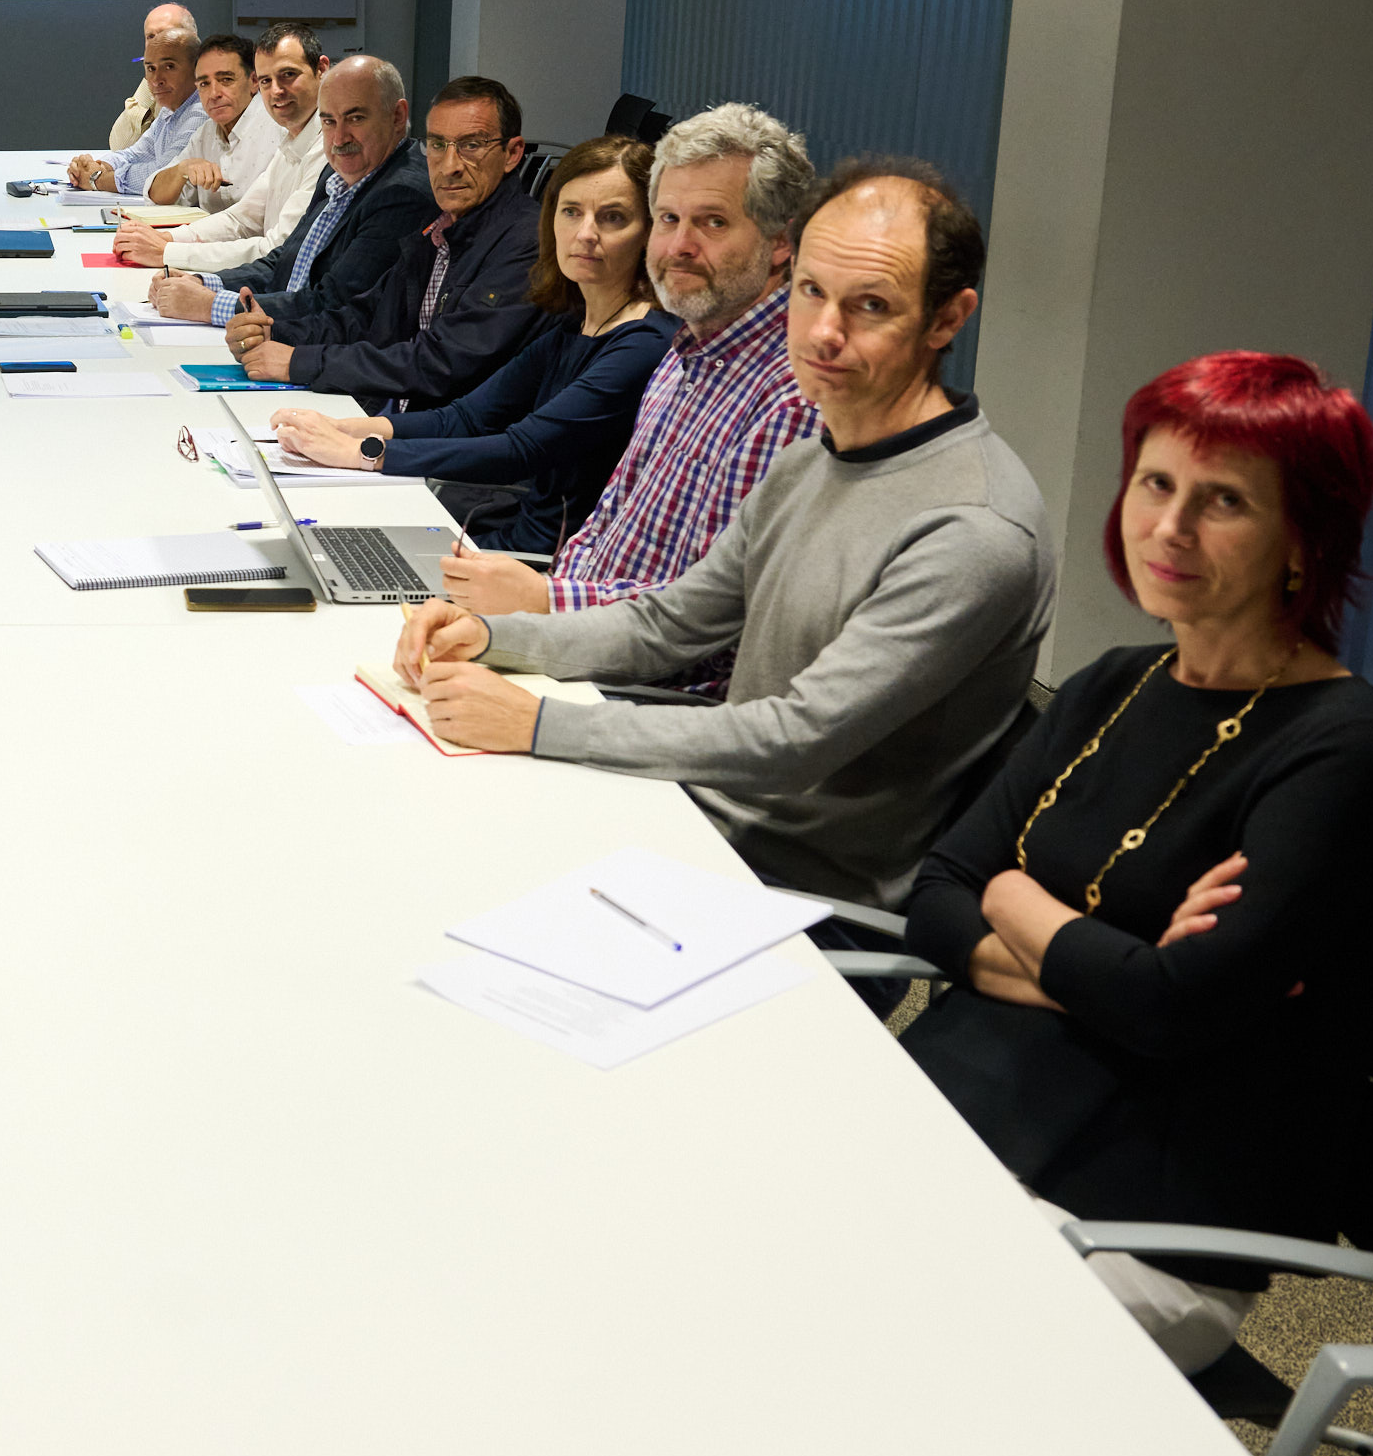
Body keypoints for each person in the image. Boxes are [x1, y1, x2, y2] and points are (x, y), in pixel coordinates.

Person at [901, 354, 1373, 1373]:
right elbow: (935, 893)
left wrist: (1011, 895)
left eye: (1223, 500)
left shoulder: (1347, 752)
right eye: (1156, 482)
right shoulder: (1113, 685)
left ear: (1305, 541)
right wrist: (1105, 967)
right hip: (977, 1113)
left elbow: (1170, 1010)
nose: (1170, 527)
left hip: (1149, 1219)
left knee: (869, 1322)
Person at [392, 158, 1056, 907]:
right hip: (692, 810)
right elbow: (669, 623)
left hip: (782, 886)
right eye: (810, 292)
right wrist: (492, 638)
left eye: (869, 305)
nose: (823, 333)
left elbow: (790, 741)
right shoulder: (814, 458)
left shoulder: (971, 530)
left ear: (946, 319)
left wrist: (536, 723)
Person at [436, 102, 820, 634]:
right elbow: (602, 532)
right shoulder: (683, 359)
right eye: (669, 219)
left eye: (713, 222)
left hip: (636, 684)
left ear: (781, 241)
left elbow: (705, 616)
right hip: (579, 629)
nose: (680, 246)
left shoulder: (790, 394)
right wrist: (518, 611)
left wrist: (541, 603)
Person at [272, 134, 677, 550]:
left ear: (650, 231)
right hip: (504, 540)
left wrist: (363, 453)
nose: (586, 233)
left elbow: (520, 450)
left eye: (612, 218)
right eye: (571, 212)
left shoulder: (645, 342)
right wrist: (335, 429)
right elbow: (465, 418)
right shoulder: (576, 326)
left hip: (544, 566)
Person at [230, 72, 546, 410]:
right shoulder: (440, 229)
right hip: (401, 420)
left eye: (471, 145)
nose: (449, 165)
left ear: (513, 153)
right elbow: (367, 316)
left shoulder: (526, 243)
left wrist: (299, 362)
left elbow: (440, 362)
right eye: (438, 144)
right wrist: (273, 333)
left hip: (447, 442)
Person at [146, 54, 424, 333]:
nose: (340, 138)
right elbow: (285, 261)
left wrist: (210, 305)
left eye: (355, 118)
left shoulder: (401, 194)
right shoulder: (338, 173)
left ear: (397, 117)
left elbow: (332, 305)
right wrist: (204, 282)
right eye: (328, 122)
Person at [116, 24, 325, 272]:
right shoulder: (290, 137)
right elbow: (241, 219)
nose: (276, 90)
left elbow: (279, 249)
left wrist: (167, 252)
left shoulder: (321, 143)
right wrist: (169, 240)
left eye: (288, 75)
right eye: (268, 80)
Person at [139, 32, 281, 212]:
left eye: (226, 80)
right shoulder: (206, 133)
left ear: (254, 81)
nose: (214, 94)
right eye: (204, 84)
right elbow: (155, 195)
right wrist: (182, 169)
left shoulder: (278, 128)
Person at [65, 21, 204, 193]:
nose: (156, 79)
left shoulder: (201, 111)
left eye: (169, 67)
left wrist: (97, 179)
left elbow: (163, 174)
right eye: (151, 68)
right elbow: (134, 154)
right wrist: (96, 167)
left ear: (198, 68)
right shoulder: (171, 107)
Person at [100, 0, 200, 149]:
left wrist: (109, 172)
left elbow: (167, 163)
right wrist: (151, 79)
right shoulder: (159, 87)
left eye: (166, 33)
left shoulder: (204, 90)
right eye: (151, 37)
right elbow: (120, 146)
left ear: (191, 38)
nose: (158, 43)